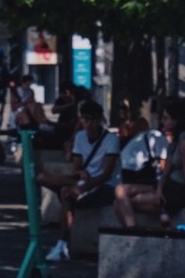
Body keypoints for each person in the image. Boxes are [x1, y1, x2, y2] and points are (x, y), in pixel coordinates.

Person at [40, 100, 121, 262]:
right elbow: (76, 166)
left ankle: (62, 244)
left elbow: (106, 174)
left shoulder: (111, 139)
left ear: (99, 120)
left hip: (104, 185)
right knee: (43, 178)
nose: (88, 124)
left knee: (66, 194)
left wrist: (83, 188)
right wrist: (78, 173)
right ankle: (62, 245)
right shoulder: (80, 136)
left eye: (92, 119)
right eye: (84, 119)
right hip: (83, 180)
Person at [113, 111, 170, 228]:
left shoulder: (153, 138)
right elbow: (163, 164)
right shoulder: (153, 138)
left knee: (120, 194)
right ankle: (131, 229)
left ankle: (132, 228)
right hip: (144, 182)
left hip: (149, 184)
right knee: (119, 199)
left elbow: (163, 165)